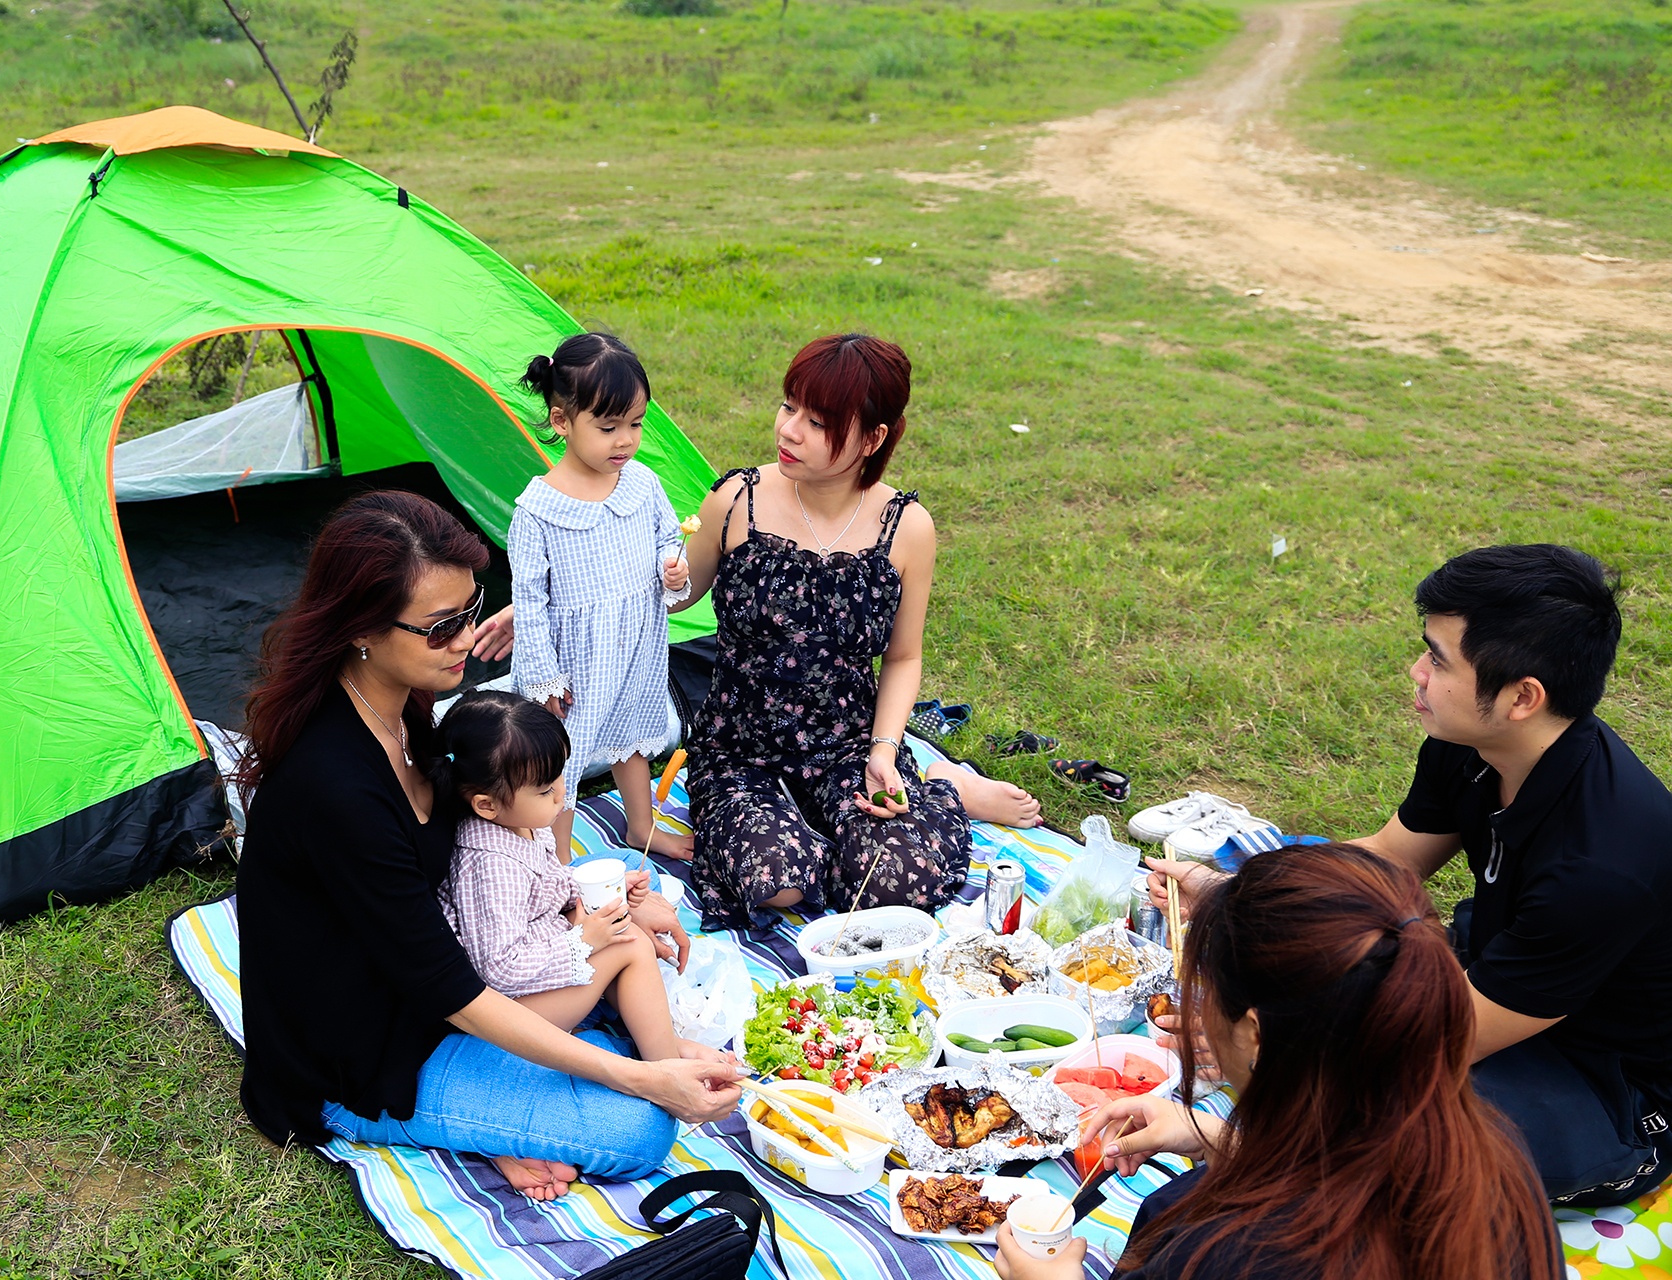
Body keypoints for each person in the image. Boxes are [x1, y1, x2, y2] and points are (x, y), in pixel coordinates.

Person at [234, 491, 740, 1203]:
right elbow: (455, 993)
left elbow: (474, 879)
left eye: (471, 611)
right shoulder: (336, 787)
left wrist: (596, 911)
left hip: (447, 964)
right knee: (639, 1129)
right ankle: (531, 1096)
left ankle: (569, 1067)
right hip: (368, 1056)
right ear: (362, 629)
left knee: (623, 870)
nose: (467, 640)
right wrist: (643, 1078)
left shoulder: (401, 705)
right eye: (441, 627)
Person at [1152, 544, 1672, 1207]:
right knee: (1307, 978)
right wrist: (1237, 897)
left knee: (1377, 1135)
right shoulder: (1473, 746)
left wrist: (1254, 1051)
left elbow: (1435, 1044)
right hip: (1489, 979)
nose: (1416, 672)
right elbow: (1388, 857)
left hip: (1605, 1086)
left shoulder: (1600, 866)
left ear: (1522, 697)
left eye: (1439, 659)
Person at [997, 842, 1563, 1280]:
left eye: (1206, 993)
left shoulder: (1230, 1255)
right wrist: (1222, 1140)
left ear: (1254, 1035)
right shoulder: (1493, 1153)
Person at [668, 333, 1041, 931]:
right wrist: (654, 576)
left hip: (849, 746)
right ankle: (831, 827)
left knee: (895, 882)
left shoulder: (907, 528)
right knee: (777, 882)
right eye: (789, 406)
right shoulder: (736, 501)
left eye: (818, 422)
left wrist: (883, 751)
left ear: (872, 438)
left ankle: (940, 784)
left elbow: (903, 657)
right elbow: (676, 595)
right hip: (740, 748)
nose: (789, 430)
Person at [508, 333, 694, 864]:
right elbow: (529, 603)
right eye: (608, 428)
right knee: (560, 760)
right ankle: (557, 862)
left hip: (635, 642)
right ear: (562, 420)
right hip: (574, 664)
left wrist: (672, 567)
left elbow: (666, 537)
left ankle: (641, 826)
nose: (625, 441)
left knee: (631, 731)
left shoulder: (641, 484)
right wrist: (544, 679)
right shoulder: (538, 512)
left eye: (636, 424)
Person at [433, 689, 680, 1064]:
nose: (561, 792)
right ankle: (666, 1067)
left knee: (624, 886)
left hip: (539, 956)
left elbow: (547, 884)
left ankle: (655, 1037)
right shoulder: (490, 864)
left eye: (561, 774)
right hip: (509, 1014)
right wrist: (583, 940)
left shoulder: (521, 822)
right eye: (546, 789)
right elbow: (499, 969)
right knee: (630, 944)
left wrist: (595, 893)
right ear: (486, 805)